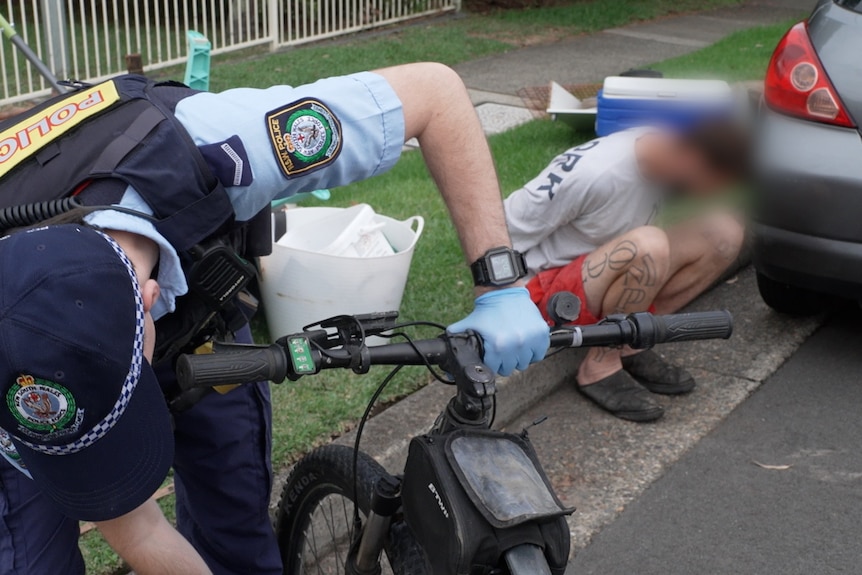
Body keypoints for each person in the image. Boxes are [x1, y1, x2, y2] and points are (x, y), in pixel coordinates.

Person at [0, 63, 550, 575]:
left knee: (233, 514)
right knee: (29, 558)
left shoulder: (226, 144)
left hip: (202, 328)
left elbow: (434, 92)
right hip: (32, 375)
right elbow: (136, 529)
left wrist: (499, 283)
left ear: (149, 297)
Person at [505, 122, 747, 422]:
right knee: (649, 244)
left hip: (601, 276)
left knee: (723, 232)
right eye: (715, 183)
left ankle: (630, 343)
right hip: (546, 294)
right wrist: (502, 309)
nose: (712, 193)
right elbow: (503, 231)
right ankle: (599, 366)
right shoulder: (594, 173)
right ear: (694, 160)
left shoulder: (665, 157)